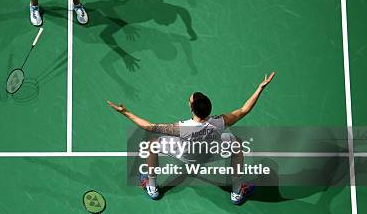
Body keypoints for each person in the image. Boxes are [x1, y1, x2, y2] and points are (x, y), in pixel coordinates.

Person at [106, 72, 275, 204]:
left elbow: (148, 127)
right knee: (236, 143)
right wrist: (260, 88)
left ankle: (152, 187)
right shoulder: (219, 122)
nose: (189, 100)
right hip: (211, 154)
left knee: (152, 144)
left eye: (190, 100)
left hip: (185, 156)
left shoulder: (182, 127)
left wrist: (125, 112)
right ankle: (237, 192)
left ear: (192, 109)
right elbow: (244, 110)